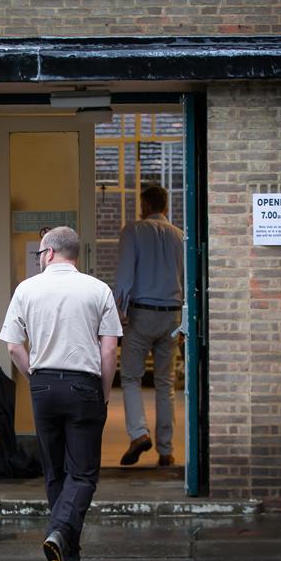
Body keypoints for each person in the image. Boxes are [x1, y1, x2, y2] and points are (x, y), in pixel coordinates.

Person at [0, 226, 122, 561]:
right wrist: (103, 391)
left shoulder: (27, 289)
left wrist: (34, 376)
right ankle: (60, 533)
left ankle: (69, 551)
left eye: (40, 254)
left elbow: (12, 346)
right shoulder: (98, 290)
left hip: (44, 385)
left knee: (55, 472)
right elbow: (110, 349)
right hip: (84, 385)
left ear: (50, 253)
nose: (40, 259)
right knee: (83, 474)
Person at [113, 184, 184, 467]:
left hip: (141, 314)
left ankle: (138, 434)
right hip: (172, 316)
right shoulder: (180, 236)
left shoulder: (133, 230)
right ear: (165, 207)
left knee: (130, 377)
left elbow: (125, 275)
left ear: (144, 206)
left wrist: (118, 313)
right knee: (165, 383)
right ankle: (166, 451)